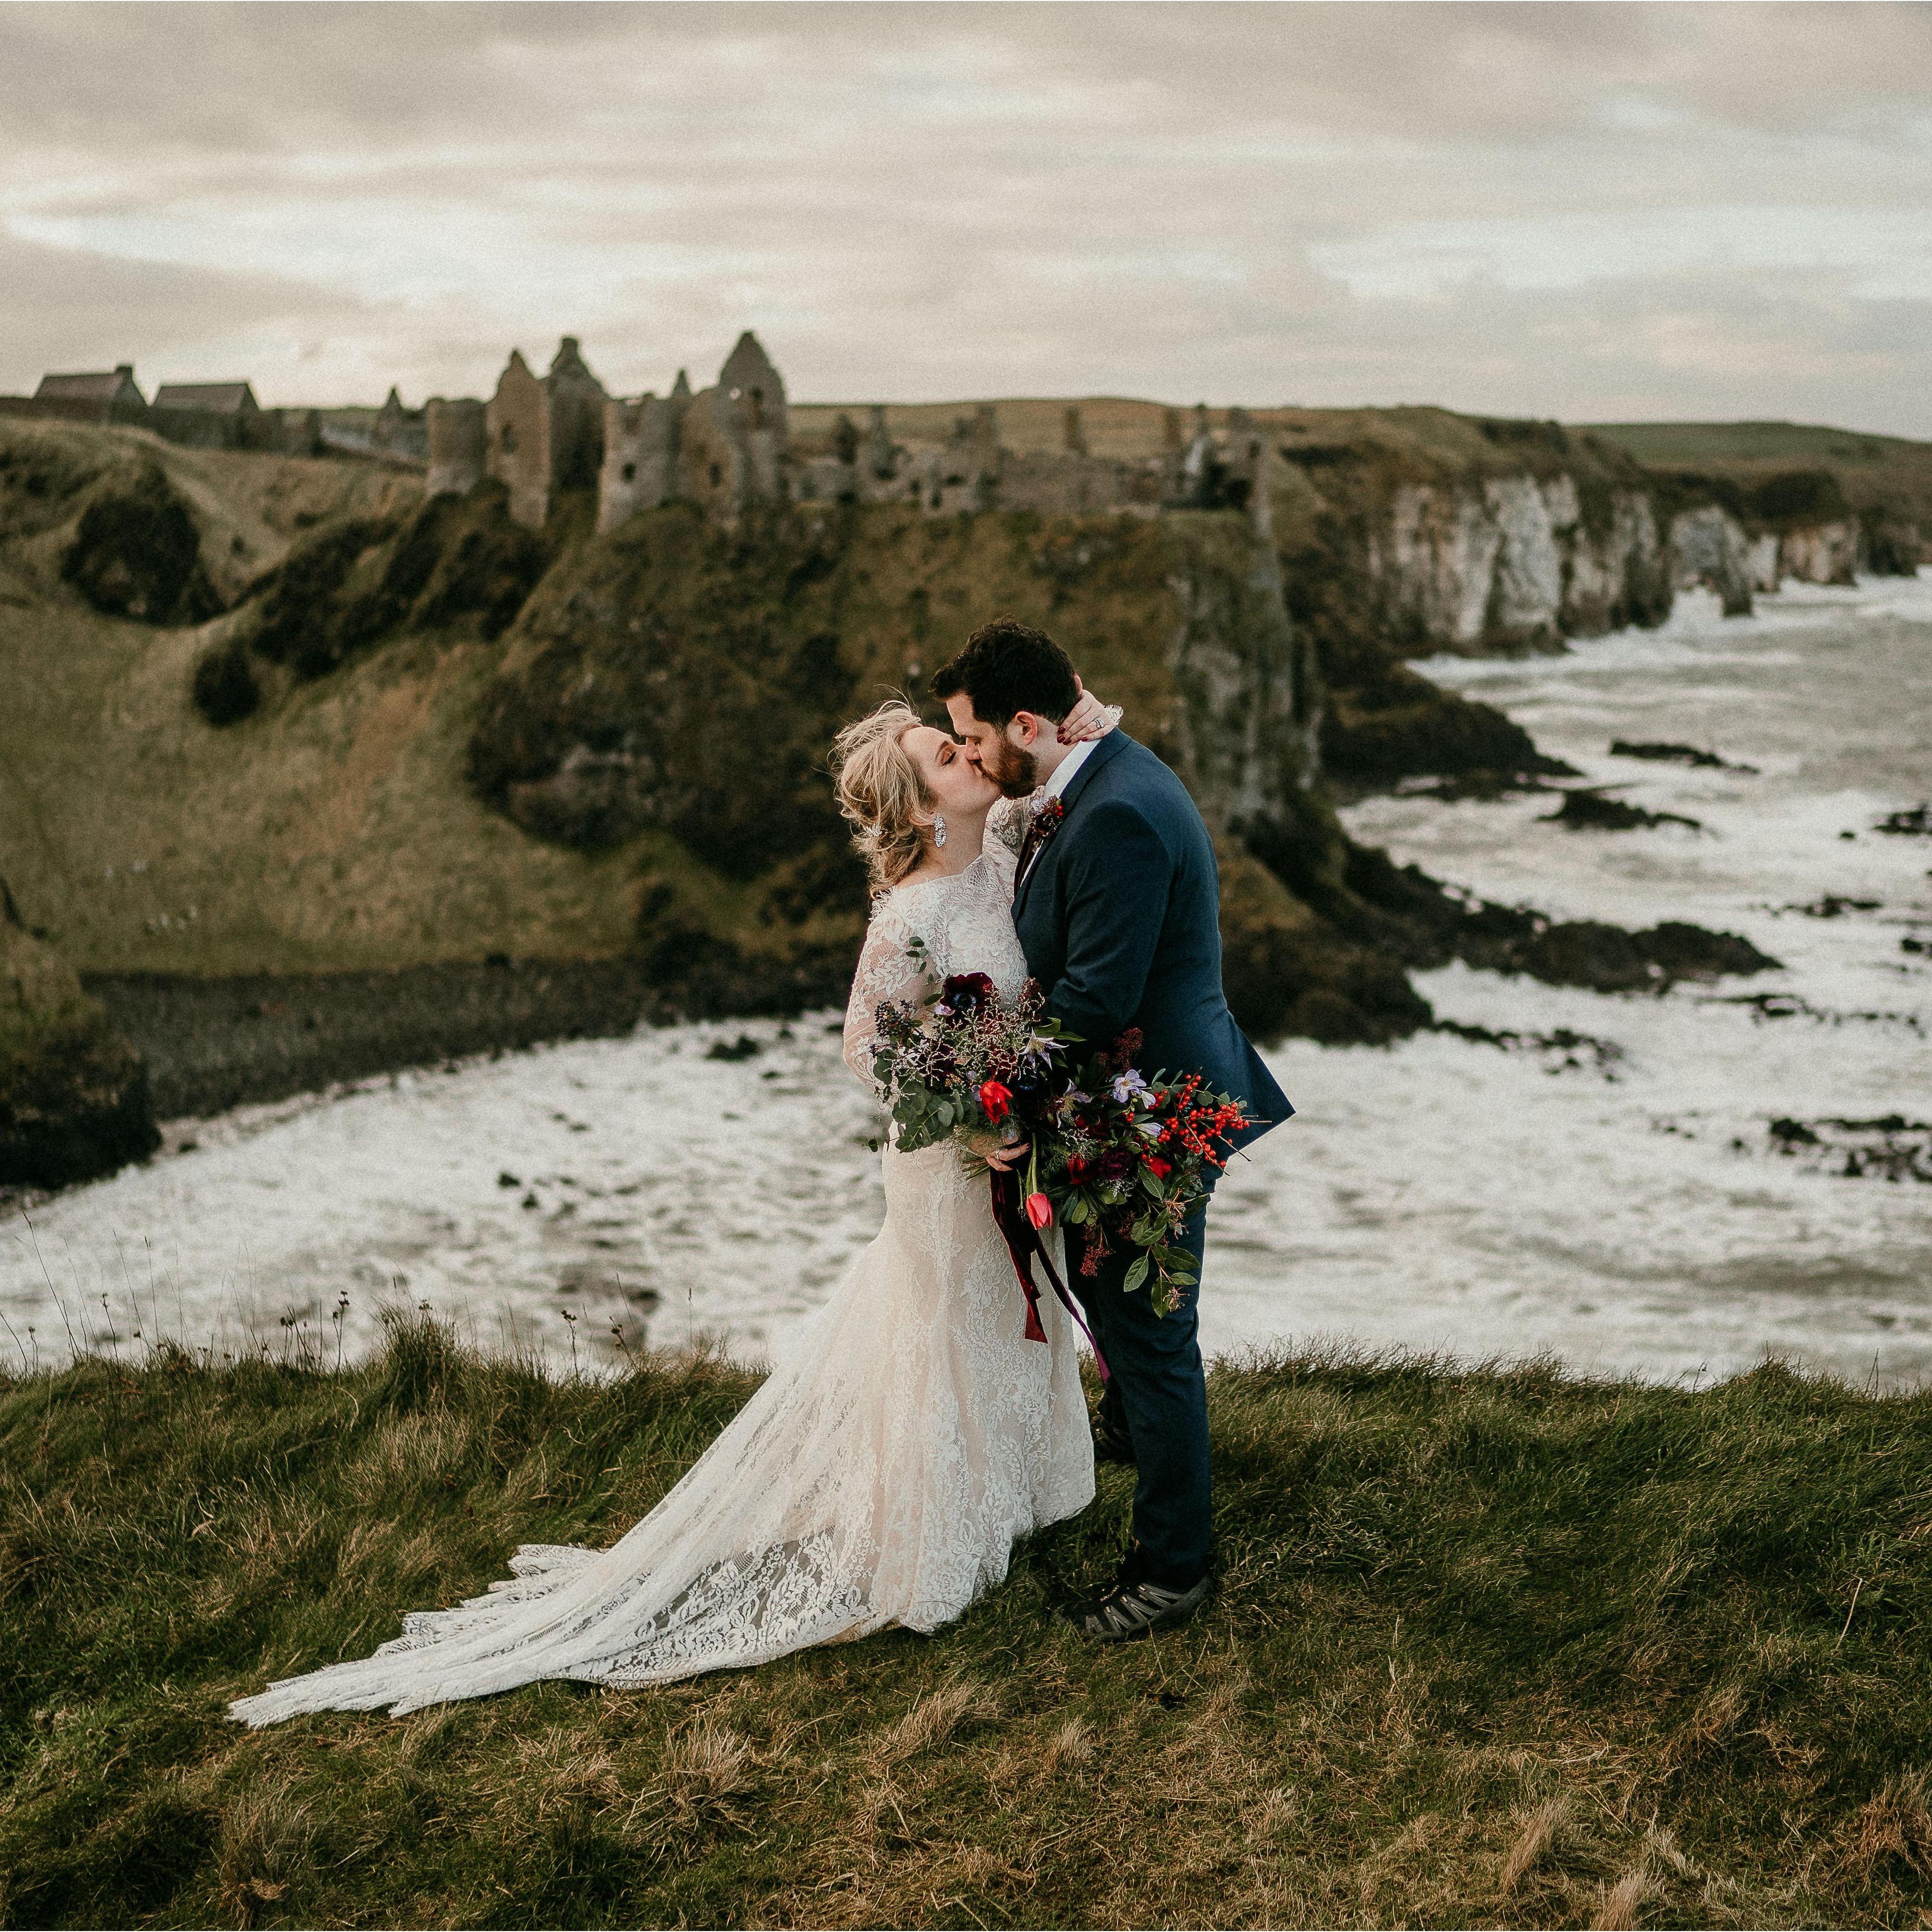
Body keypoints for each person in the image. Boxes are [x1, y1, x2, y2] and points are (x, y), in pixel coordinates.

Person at [228, 686, 1121, 1723]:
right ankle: (936, 1538)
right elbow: (863, 1049)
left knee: (999, 1316)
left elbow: (1068, 740)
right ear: (924, 809)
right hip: (945, 1159)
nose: (971, 755)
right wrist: (966, 1123)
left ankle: (1022, 1492)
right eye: (946, 753)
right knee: (946, 1325)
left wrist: (1086, 715)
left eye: (962, 741)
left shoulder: (1005, 839)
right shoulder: (912, 914)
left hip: (1009, 1142)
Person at [931, 616, 1292, 1642]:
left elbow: (1093, 1002)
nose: (969, 755)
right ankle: (1133, 1428)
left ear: (1032, 722)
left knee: (1150, 1333)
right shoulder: (1087, 782)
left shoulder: (1117, 815)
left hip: (1157, 1114)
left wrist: (982, 1089)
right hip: (1145, 1093)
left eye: (976, 736)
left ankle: (1173, 1569)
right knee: (1124, 1316)